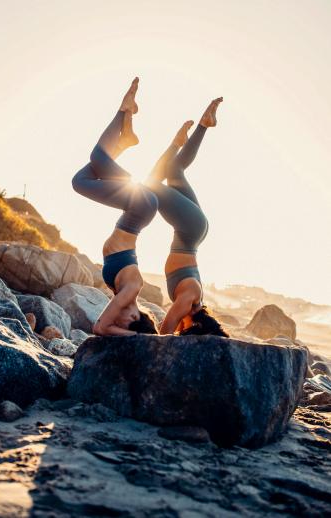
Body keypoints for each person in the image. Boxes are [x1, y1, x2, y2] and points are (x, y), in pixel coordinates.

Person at [72, 78, 158, 336]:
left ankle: (124, 141)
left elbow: (105, 325)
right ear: (135, 316)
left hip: (135, 211)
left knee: (81, 180)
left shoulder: (123, 292)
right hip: (140, 207)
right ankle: (123, 110)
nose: (116, 320)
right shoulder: (131, 291)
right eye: (125, 322)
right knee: (97, 158)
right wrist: (137, 337)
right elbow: (100, 328)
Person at [146, 98, 228, 337]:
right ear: (196, 326)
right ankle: (177, 143)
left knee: (173, 171)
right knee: (149, 184)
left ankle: (203, 125)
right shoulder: (189, 302)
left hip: (194, 232)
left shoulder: (194, 303)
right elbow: (166, 328)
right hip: (190, 231)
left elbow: (176, 325)